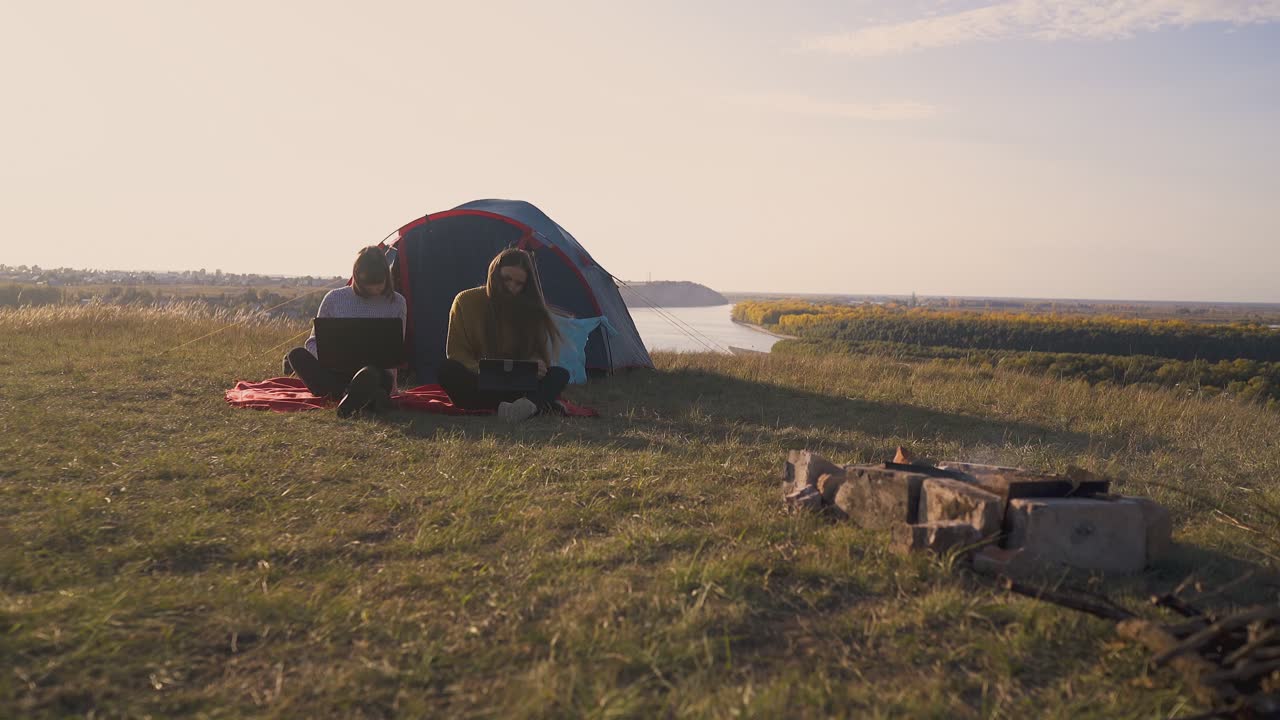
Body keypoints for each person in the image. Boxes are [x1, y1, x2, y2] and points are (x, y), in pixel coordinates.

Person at [438, 248, 569, 422]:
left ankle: (521, 407)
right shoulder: (465, 301)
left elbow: (536, 353)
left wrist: (536, 365)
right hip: (479, 380)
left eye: (519, 283)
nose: (511, 287)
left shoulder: (529, 309)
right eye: (507, 279)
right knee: (447, 370)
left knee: (559, 374)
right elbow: (456, 353)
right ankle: (534, 405)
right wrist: (485, 371)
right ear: (495, 274)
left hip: (516, 382)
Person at [284, 246, 407, 418]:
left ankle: (350, 394)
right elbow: (312, 342)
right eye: (369, 284)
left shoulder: (397, 302)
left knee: (370, 373)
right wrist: (328, 358)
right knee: (296, 355)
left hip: (375, 373)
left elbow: (394, 350)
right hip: (336, 372)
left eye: (380, 283)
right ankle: (359, 396)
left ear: (387, 276)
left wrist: (391, 386)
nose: (375, 289)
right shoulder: (334, 299)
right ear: (356, 276)